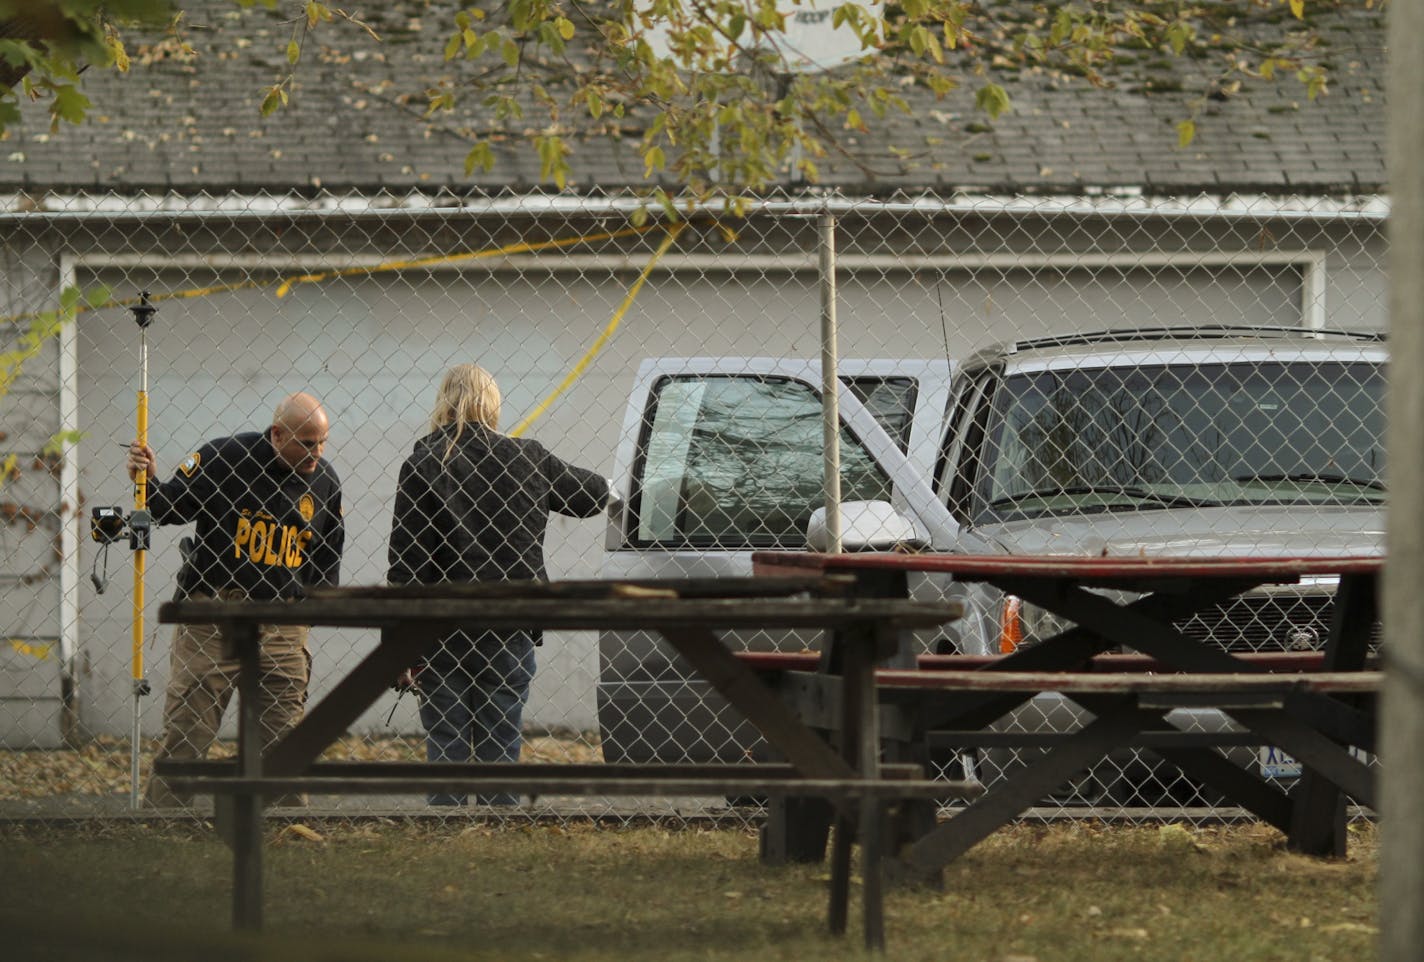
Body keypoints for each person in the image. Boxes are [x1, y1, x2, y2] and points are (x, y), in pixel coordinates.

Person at [387, 364, 611, 806]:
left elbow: (406, 564)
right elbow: (589, 497)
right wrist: (615, 485)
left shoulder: (422, 464)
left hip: (441, 631)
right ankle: (498, 824)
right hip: (508, 625)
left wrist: (400, 647)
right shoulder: (529, 457)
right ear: (493, 404)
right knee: (501, 733)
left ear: (444, 402)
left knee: (446, 737)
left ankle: (446, 829)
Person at [129, 391, 345, 808]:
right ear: (278, 434)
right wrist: (148, 479)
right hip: (216, 613)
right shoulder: (225, 458)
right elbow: (166, 507)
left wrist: (304, 618)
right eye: (307, 442)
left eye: (323, 442)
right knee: (189, 729)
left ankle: (285, 831)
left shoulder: (324, 482)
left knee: (283, 738)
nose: (317, 453)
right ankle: (161, 826)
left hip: (281, 619)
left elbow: (326, 560)